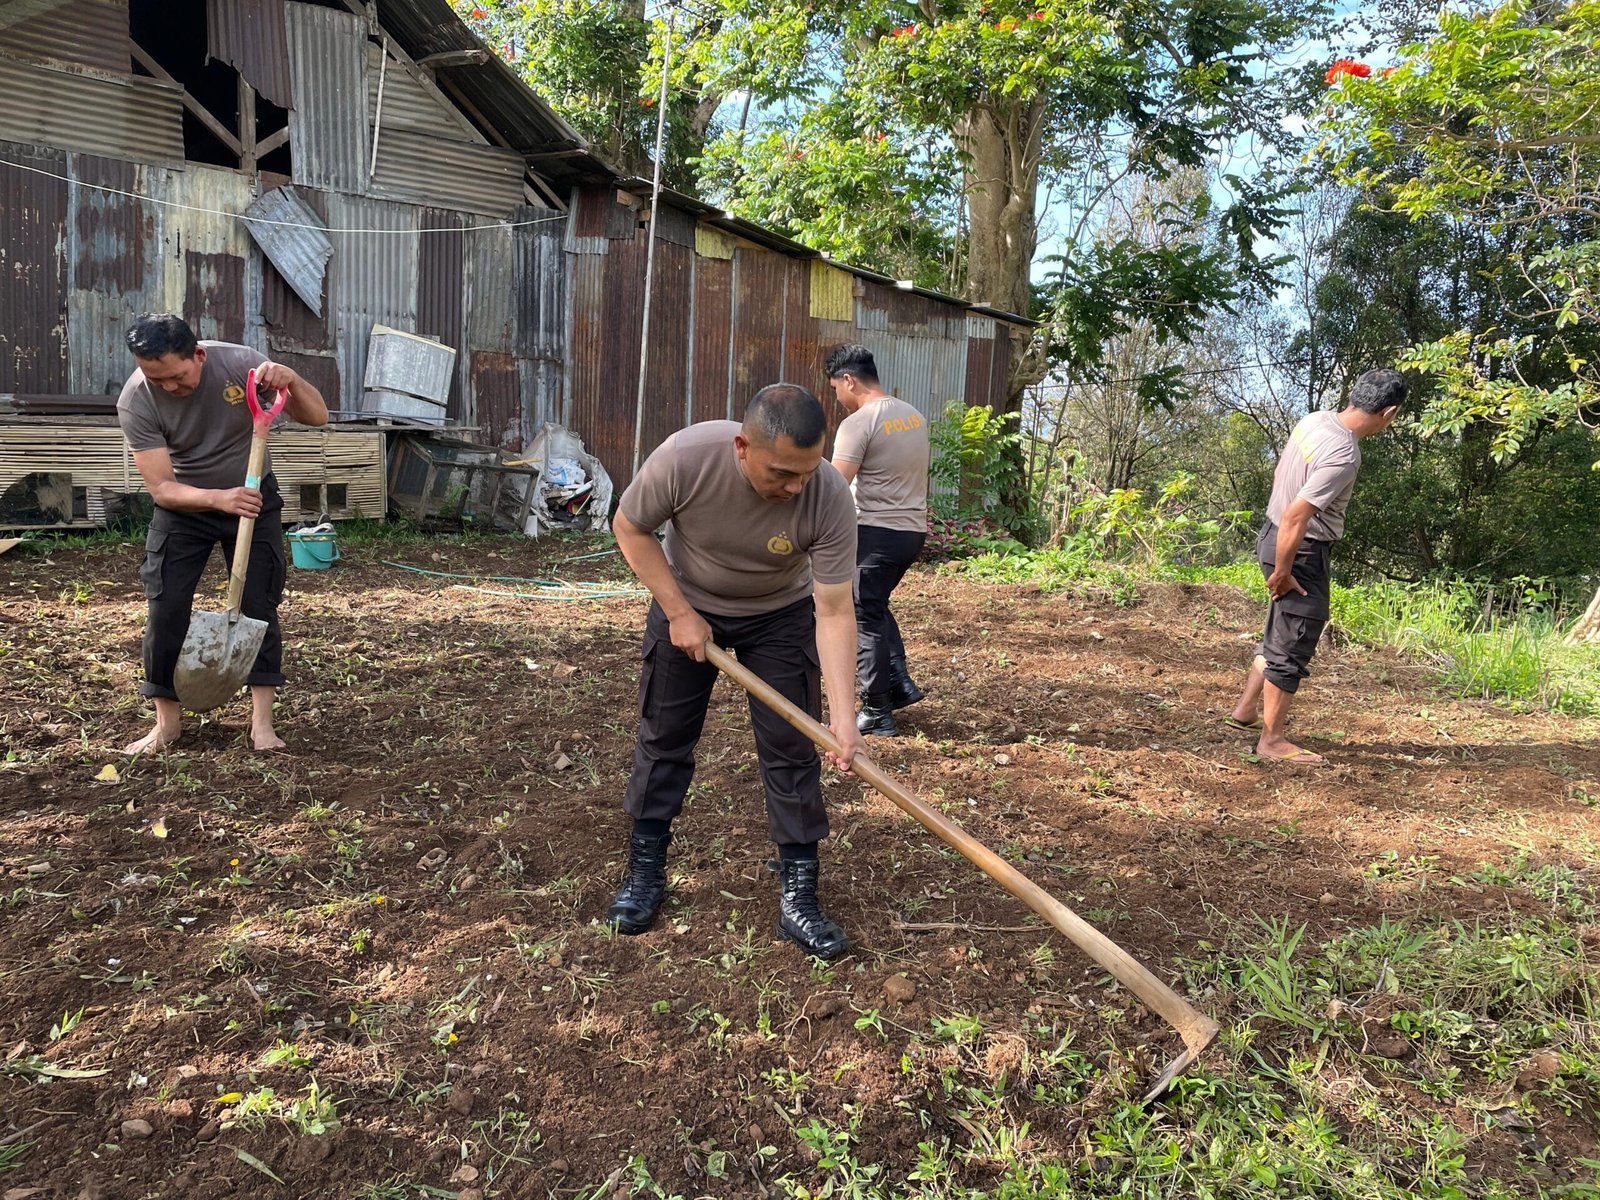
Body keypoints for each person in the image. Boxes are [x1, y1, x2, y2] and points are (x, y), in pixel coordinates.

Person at [605, 384, 863, 959]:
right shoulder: (685, 458)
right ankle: (645, 873)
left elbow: (835, 608)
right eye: (782, 473)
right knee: (664, 737)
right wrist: (678, 612)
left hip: (781, 616)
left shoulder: (827, 495)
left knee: (793, 749)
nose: (796, 487)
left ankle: (799, 898)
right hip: (687, 604)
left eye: (807, 471)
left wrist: (845, 721)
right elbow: (630, 527)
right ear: (743, 447)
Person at [116, 314, 328, 754]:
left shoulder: (242, 367)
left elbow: (318, 416)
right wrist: (218, 499)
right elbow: (162, 487)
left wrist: (293, 380)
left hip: (253, 496)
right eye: (158, 380)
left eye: (176, 376)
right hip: (186, 506)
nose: (169, 387)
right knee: (166, 605)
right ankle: (166, 725)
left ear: (198, 354)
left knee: (258, 606)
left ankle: (261, 725)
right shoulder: (138, 399)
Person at [1226, 368, 1407, 764]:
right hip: (1298, 549)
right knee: (1295, 638)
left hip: (1271, 535)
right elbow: (1297, 515)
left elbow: (1280, 475)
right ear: (1389, 412)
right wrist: (1286, 570)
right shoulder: (1344, 453)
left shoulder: (1314, 420)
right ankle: (1271, 741)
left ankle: (1245, 711)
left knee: (1281, 628)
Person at [826, 344, 930, 737]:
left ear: (848, 380)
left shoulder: (859, 422)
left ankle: (876, 710)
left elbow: (836, 487)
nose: (837, 397)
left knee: (860, 613)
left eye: (836, 387)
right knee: (875, 604)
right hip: (911, 532)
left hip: (874, 531)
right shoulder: (914, 416)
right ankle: (899, 684)